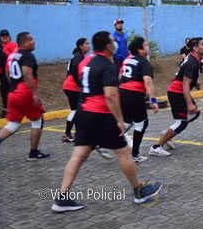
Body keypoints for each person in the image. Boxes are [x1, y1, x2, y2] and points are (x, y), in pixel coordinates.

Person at [51, 31, 162, 212]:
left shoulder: (87, 61)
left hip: (83, 113)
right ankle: (138, 191)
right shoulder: (107, 65)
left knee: (78, 156)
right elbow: (110, 96)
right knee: (124, 153)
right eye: (112, 41)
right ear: (108, 46)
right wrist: (118, 120)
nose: (115, 44)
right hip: (101, 114)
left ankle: (62, 197)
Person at [0, 32, 49, 168]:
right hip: (25, 92)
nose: (34, 41)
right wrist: (34, 93)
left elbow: (7, 74)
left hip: (12, 93)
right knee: (37, 120)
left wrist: (14, 86)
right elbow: (26, 73)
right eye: (30, 39)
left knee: (13, 123)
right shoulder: (27, 55)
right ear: (23, 43)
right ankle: (33, 153)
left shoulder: (12, 55)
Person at [149, 37, 203, 157]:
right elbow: (185, 83)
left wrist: (195, 82)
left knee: (194, 114)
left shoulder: (192, 58)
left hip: (178, 91)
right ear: (195, 48)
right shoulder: (192, 62)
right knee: (182, 122)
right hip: (177, 93)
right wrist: (189, 103)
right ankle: (156, 147)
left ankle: (167, 134)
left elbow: (180, 75)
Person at [120, 37, 159, 162]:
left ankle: (103, 140)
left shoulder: (127, 60)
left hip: (122, 93)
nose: (148, 47)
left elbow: (120, 76)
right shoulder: (144, 62)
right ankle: (135, 154)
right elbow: (148, 81)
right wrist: (153, 101)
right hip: (134, 94)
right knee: (142, 123)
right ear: (140, 49)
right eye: (146, 45)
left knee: (127, 122)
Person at [61, 38, 90, 143]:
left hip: (69, 85)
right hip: (72, 86)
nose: (89, 45)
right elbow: (74, 70)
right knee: (76, 111)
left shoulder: (77, 55)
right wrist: (80, 84)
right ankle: (67, 135)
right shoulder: (79, 56)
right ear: (81, 46)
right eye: (86, 43)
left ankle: (75, 134)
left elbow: (71, 71)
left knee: (77, 110)